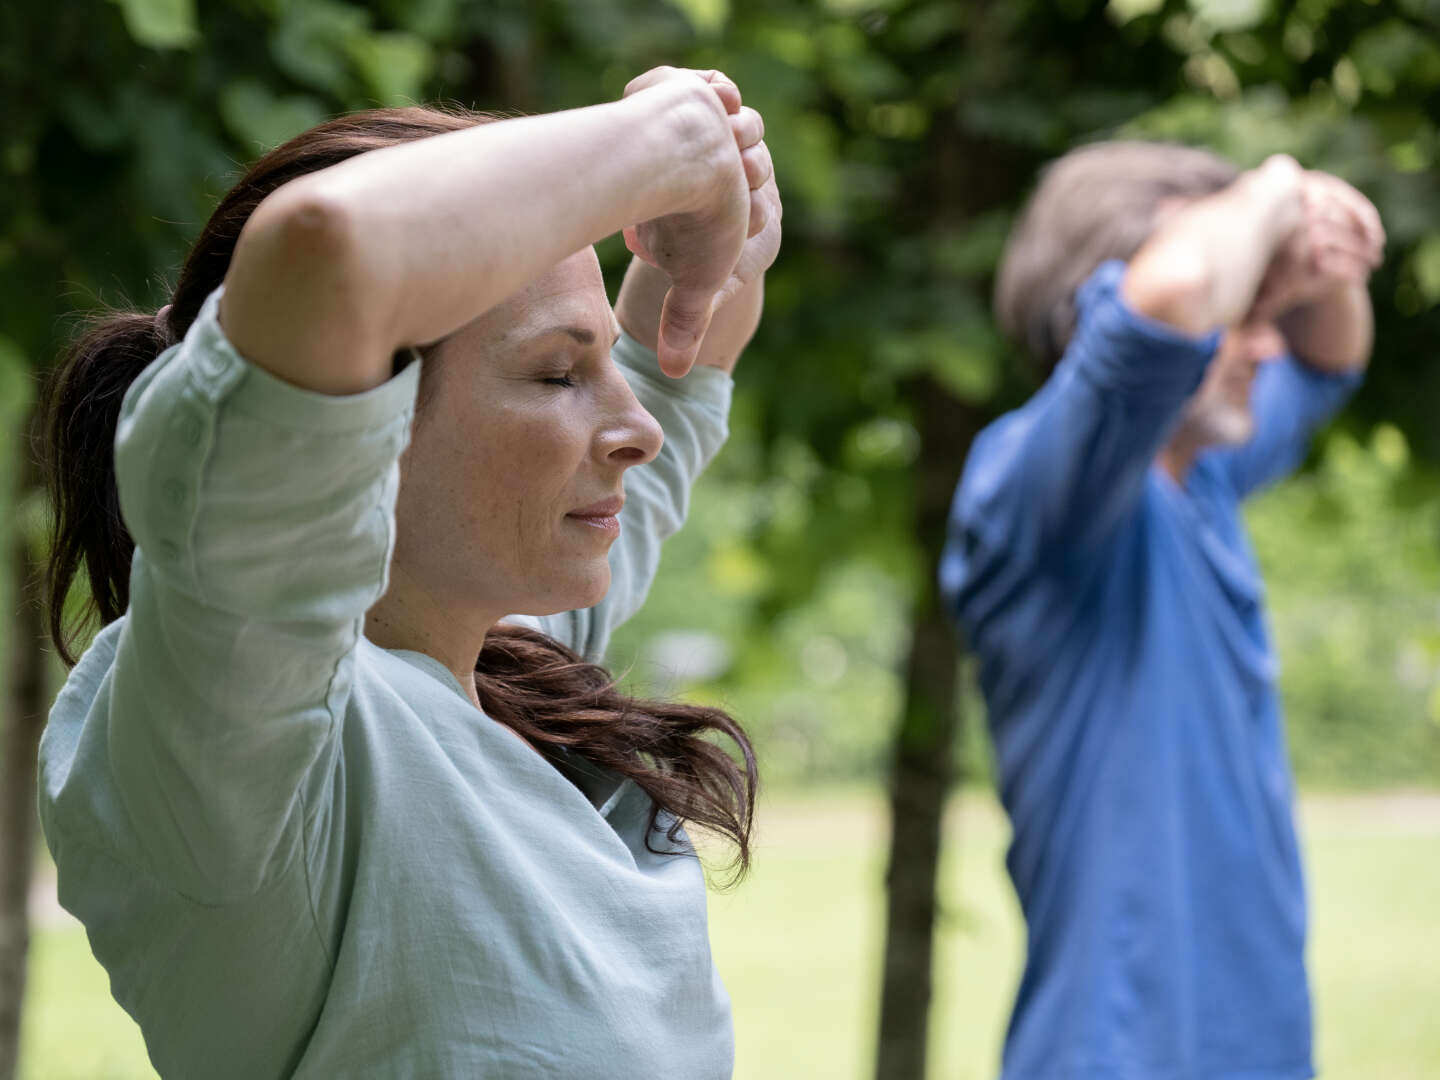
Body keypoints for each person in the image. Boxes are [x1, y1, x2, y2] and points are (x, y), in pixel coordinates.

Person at [37, 66, 781, 1078]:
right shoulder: (235, 740)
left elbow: (671, 375)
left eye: (602, 361)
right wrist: (667, 143)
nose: (638, 430)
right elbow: (329, 252)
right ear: (356, 427)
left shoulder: (497, 665)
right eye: (559, 374)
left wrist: (714, 213)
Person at [940, 143, 1384, 1079]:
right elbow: (1173, 294)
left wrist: (1319, 243)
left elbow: (1335, 355)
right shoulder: (1030, 496)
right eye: (1247, 315)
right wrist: (1275, 183)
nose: (1268, 344)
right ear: (1093, 311)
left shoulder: (1206, 476)